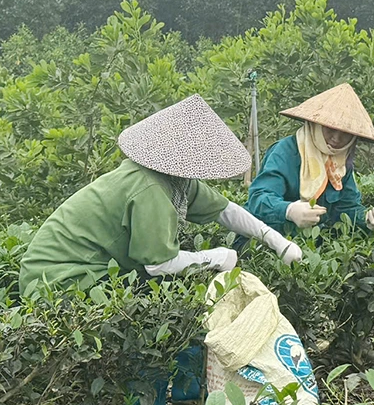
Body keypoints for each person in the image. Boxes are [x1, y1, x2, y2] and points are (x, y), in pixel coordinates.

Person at [19, 94, 302, 299]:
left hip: (81, 273)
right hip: (59, 281)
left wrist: (277, 241)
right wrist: (215, 257)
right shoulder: (150, 189)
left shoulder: (175, 179)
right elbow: (159, 265)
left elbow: (224, 210)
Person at [246, 83, 374, 237]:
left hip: (313, 246)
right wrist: (288, 210)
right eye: (330, 129)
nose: (336, 139)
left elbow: (346, 208)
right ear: (315, 124)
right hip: (266, 240)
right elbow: (258, 197)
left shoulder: (340, 162)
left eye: (345, 134)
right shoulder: (285, 152)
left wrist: (368, 218)